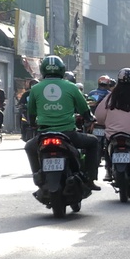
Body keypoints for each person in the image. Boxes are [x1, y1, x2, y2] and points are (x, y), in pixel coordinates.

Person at [25, 55, 102, 190]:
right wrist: (89, 119)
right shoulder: (71, 87)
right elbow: (84, 109)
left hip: (44, 133)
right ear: (61, 70)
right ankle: (90, 178)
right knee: (93, 142)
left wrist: (32, 124)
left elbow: (31, 113)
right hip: (68, 134)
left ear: (43, 70)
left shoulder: (36, 89)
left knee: (29, 147)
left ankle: (38, 176)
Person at [92, 68, 130, 181]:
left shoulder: (111, 97)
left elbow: (99, 115)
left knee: (108, 146)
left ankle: (108, 170)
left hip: (113, 135)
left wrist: (103, 123)